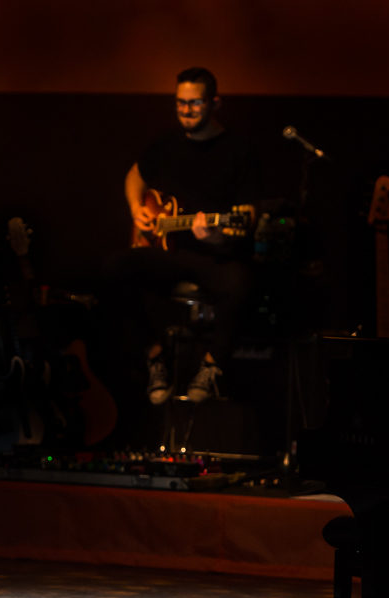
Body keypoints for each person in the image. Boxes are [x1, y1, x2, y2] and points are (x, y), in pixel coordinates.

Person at [110, 67, 261, 404]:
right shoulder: (166, 144)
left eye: (195, 103)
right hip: (169, 251)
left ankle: (211, 366)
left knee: (243, 283)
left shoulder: (239, 151)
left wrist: (216, 237)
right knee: (114, 269)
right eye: (180, 103)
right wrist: (136, 209)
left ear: (215, 103)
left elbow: (248, 215)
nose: (186, 111)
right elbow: (135, 175)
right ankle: (154, 357)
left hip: (214, 254)